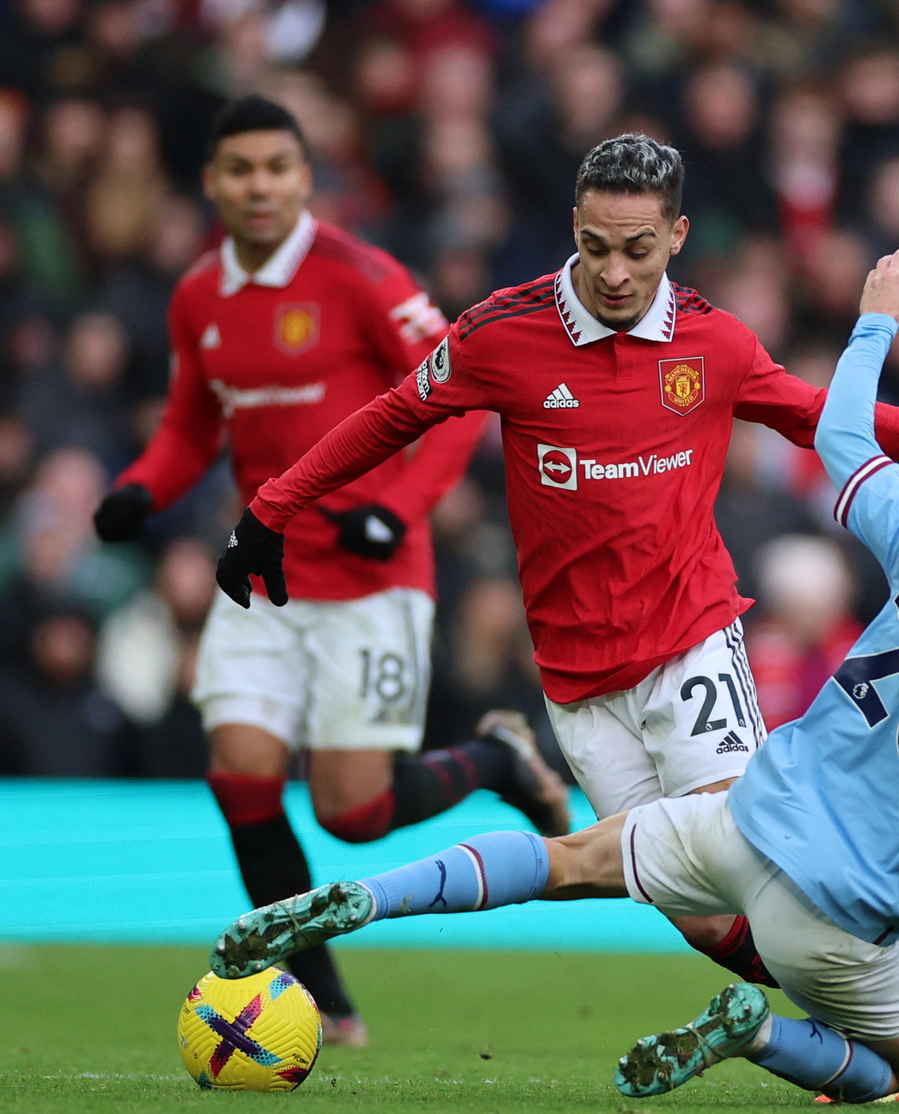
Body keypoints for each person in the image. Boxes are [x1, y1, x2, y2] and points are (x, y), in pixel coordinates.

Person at [206, 250, 899, 1106]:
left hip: (743, 818)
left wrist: (876, 320)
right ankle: (764, 1031)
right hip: (839, 920)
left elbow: (844, 435)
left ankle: (355, 900)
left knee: (571, 856)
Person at [213, 131, 899, 990]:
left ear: (677, 236)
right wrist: (272, 508)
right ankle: (860, 1015)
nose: (614, 272)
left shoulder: (716, 344)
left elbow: (825, 419)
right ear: (574, 226)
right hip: (576, 677)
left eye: (636, 249)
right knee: (703, 919)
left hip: (689, 641)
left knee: (746, 858)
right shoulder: (499, 335)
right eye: (595, 247)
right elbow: (392, 415)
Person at [91, 96, 571, 1047]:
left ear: (306, 177)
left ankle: (492, 758)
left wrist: (400, 509)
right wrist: (141, 490)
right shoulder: (198, 297)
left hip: (370, 579)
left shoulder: (362, 276)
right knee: (242, 780)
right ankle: (322, 1000)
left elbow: (459, 395)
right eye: (241, 169)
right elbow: (193, 425)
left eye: (277, 166)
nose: (259, 185)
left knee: (354, 816)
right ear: (213, 182)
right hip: (259, 574)